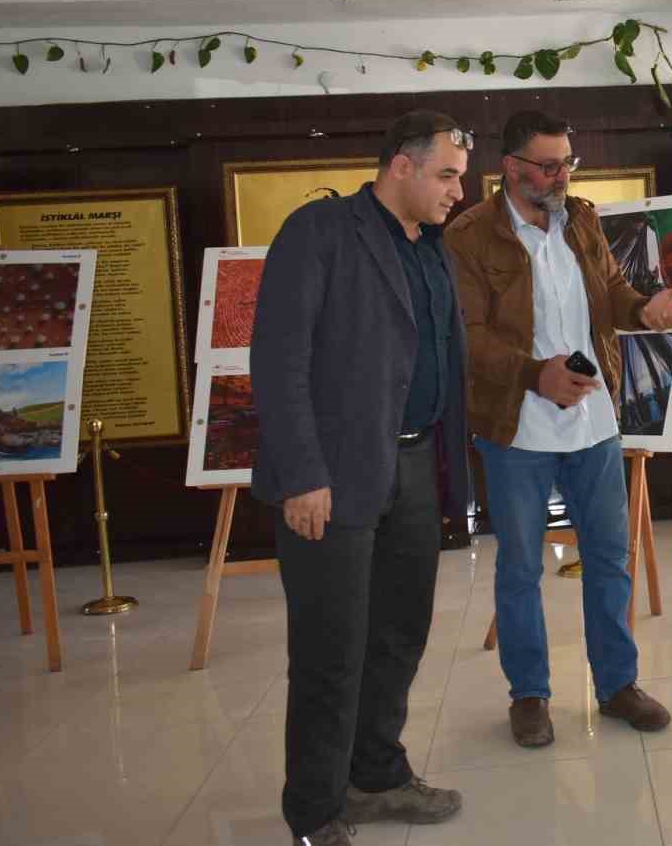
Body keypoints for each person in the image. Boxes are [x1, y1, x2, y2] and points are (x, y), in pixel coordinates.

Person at [251, 110, 473, 846]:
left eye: (461, 178)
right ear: (400, 168)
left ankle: (376, 773)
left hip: (413, 465)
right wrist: (302, 475)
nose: (457, 191)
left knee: (398, 636)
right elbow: (278, 363)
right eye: (446, 175)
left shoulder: (432, 247)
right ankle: (314, 809)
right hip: (334, 477)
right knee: (329, 649)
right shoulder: (319, 235)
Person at [446, 110, 672, 748]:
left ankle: (617, 686)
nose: (561, 177)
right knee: (521, 567)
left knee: (610, 558)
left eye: (568, 163)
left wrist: (645, 309)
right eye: (548, 166)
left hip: (595, 424)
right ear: (510, 167)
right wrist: (536, 375)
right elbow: (465, 339)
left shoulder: (580, 217)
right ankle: (529, 696)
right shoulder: (469, 236)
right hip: (515, 430)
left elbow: (608, 292)